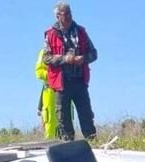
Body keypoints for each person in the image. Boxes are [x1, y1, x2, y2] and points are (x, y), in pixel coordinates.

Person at [43, 2, 98, 141]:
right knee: (63, 116)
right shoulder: (50, 34)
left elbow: (94, 54)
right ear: (57, 16)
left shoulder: (81, 31)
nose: (68, 16)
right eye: (64, 14)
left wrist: (83, 59)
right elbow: (46, 58)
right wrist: (65, 59)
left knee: (86, 114)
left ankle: (92, 142)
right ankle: (68, 145)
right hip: (61, 83)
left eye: (69, 13)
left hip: (79, 80)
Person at [36, 49, 60, 139]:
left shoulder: (69, 49)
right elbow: (38, 72)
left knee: (66, 120)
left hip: (66, 90)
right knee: (50, 121)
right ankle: (49, 144)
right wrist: (54, 76)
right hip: (50, 90)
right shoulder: (45, 51)